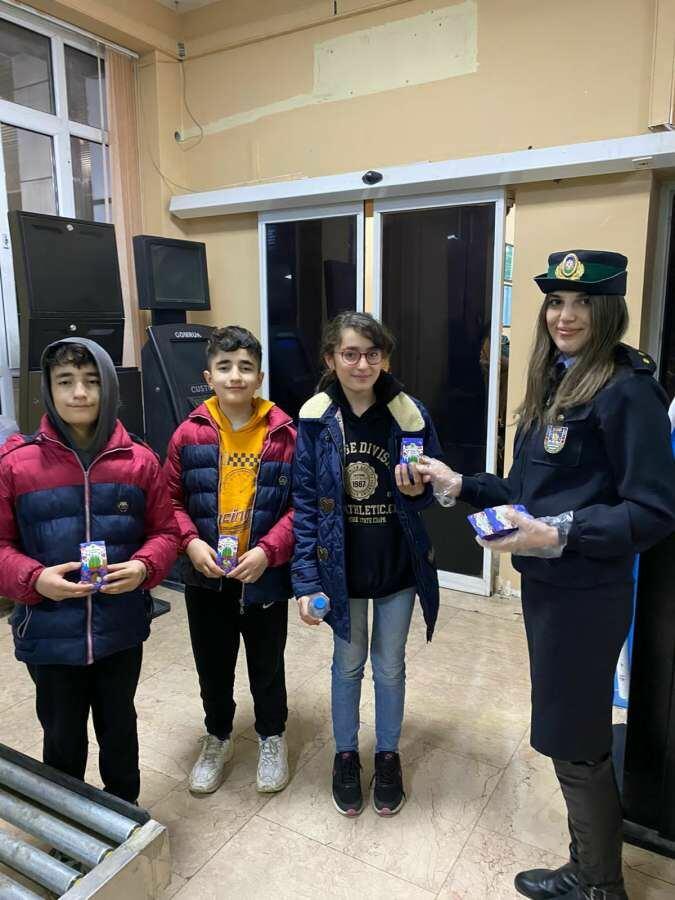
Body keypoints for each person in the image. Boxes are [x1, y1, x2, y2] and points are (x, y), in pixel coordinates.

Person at [417, 250, 675, 900]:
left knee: (575, 734)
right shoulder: (556, 383)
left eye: (582, 303)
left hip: (588, 595)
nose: (565, 315)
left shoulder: (627, 390)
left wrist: (558, 534)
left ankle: (598, 883)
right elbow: (523, 492)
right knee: (570, 729)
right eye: (556, 302)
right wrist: (458, 484)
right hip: (550, 592)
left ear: (608, 311)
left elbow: (651, 512)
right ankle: (591, 869)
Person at [0, 338, 179, 803]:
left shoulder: (139, 461)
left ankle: (125, 815)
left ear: (110, 388)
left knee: (119, 731)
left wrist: (143, 567)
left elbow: (166, 532)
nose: (79, 393)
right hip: (49, 635)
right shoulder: (16, 464)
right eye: (66, 382)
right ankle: (69, 821)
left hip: (120, 630)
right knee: (62, 738)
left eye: (91, 381)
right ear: (49, 390)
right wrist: (34, 579)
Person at [292, 311, 441, 817]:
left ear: (385, 359)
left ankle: (388, 754)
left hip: (396, 567)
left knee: (390, 666)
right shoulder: (315, 420)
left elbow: (431, 491)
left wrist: (419, 492)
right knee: (347, 665)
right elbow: (304, 504)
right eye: (350, 354)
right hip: (342, 572)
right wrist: (306, 580)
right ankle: (346, 755)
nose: (361, 364)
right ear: (331, 359)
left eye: (372, 354)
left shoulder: (409, 415)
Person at [164, 326, 296, 795]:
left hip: (263, 576)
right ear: (208, 376)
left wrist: (267, 551)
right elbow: (169, 502)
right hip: (207, 579)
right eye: (224, 367)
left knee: (267, 664)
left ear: (259, 377)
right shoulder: (188, 434)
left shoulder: (285, 434)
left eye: (245, 367)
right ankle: (217, 736)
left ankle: (272, 736)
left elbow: (301, 507)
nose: (235, 376)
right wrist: (190, 543)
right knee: (212, 665)